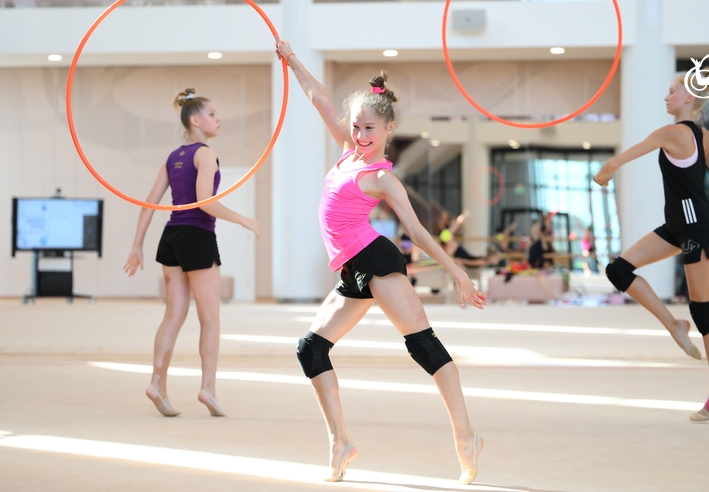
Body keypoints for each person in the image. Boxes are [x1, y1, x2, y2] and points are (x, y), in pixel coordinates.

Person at [276, 40, 485, 484]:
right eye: (356, 127)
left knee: (424, 346)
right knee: (310, 349)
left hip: (377, 262)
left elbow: (419, 233)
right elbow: (319, 99)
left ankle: (465, 435)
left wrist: (459, 274)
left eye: (370, 128)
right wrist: (292, 59)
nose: (360, 135)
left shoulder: (382, 177)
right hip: (351, 270)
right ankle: (340, 442)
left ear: (388, 128)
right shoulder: (348, 153)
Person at [593, 75, 709, 422]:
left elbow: (614, 163)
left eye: (673, 90)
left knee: (703, 311)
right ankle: (673, 325)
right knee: (618, 270)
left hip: (696, 228)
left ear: (691, 98)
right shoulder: (704, 137)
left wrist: (603, 175)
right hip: (677, 225)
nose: (667, 95)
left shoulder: (671, 133)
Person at [123, 89, 260, 418]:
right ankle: (208, 389)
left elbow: (149, 203)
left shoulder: (173, 157)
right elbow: (205, 202)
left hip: (171, 237)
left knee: (173, 315)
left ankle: (157, 382)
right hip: (198, 236)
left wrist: (137, 245)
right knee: (210, 318)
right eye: (213, 114)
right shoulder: (206, 154)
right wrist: (243, 219)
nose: (218, 119)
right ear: (196, 120)